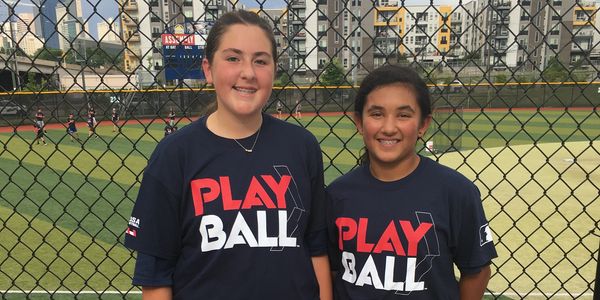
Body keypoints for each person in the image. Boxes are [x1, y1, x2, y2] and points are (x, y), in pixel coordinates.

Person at [124, 10, 332, 300]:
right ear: (208, 69)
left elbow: (316, 248)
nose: (248, 72)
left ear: (273, 70)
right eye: (233, 58)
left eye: (260, 61)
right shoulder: (175, 154)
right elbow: (156, 274)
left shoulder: (301, 146)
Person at [326, 65, 497, 299]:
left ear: (423, 125)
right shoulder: (337, 195)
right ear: (359, 122)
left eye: (403, 115)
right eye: (376, 114)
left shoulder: (456, 192)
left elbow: (477, 270)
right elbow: (333, 271)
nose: (388, 127)